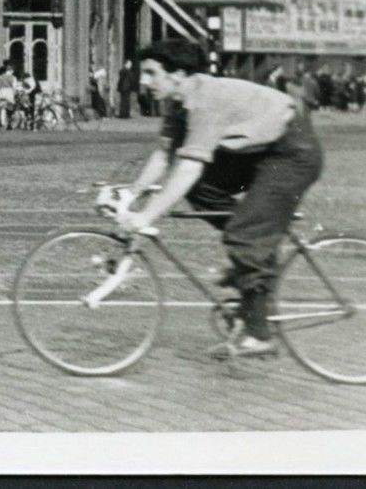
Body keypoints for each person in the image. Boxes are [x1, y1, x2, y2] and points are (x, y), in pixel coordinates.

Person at [113, 39, 324, 358]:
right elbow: (164, 155)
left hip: (291, 152)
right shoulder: (178, 102)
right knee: (209, 197)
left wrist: (145, 217)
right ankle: (254, 254)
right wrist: (131, 193)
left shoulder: (205, 102)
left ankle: (259, 335)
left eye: (150, 73)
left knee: (245, 234)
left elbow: (188, 169)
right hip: (258, 151)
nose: (142, 81)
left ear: (178, 74)